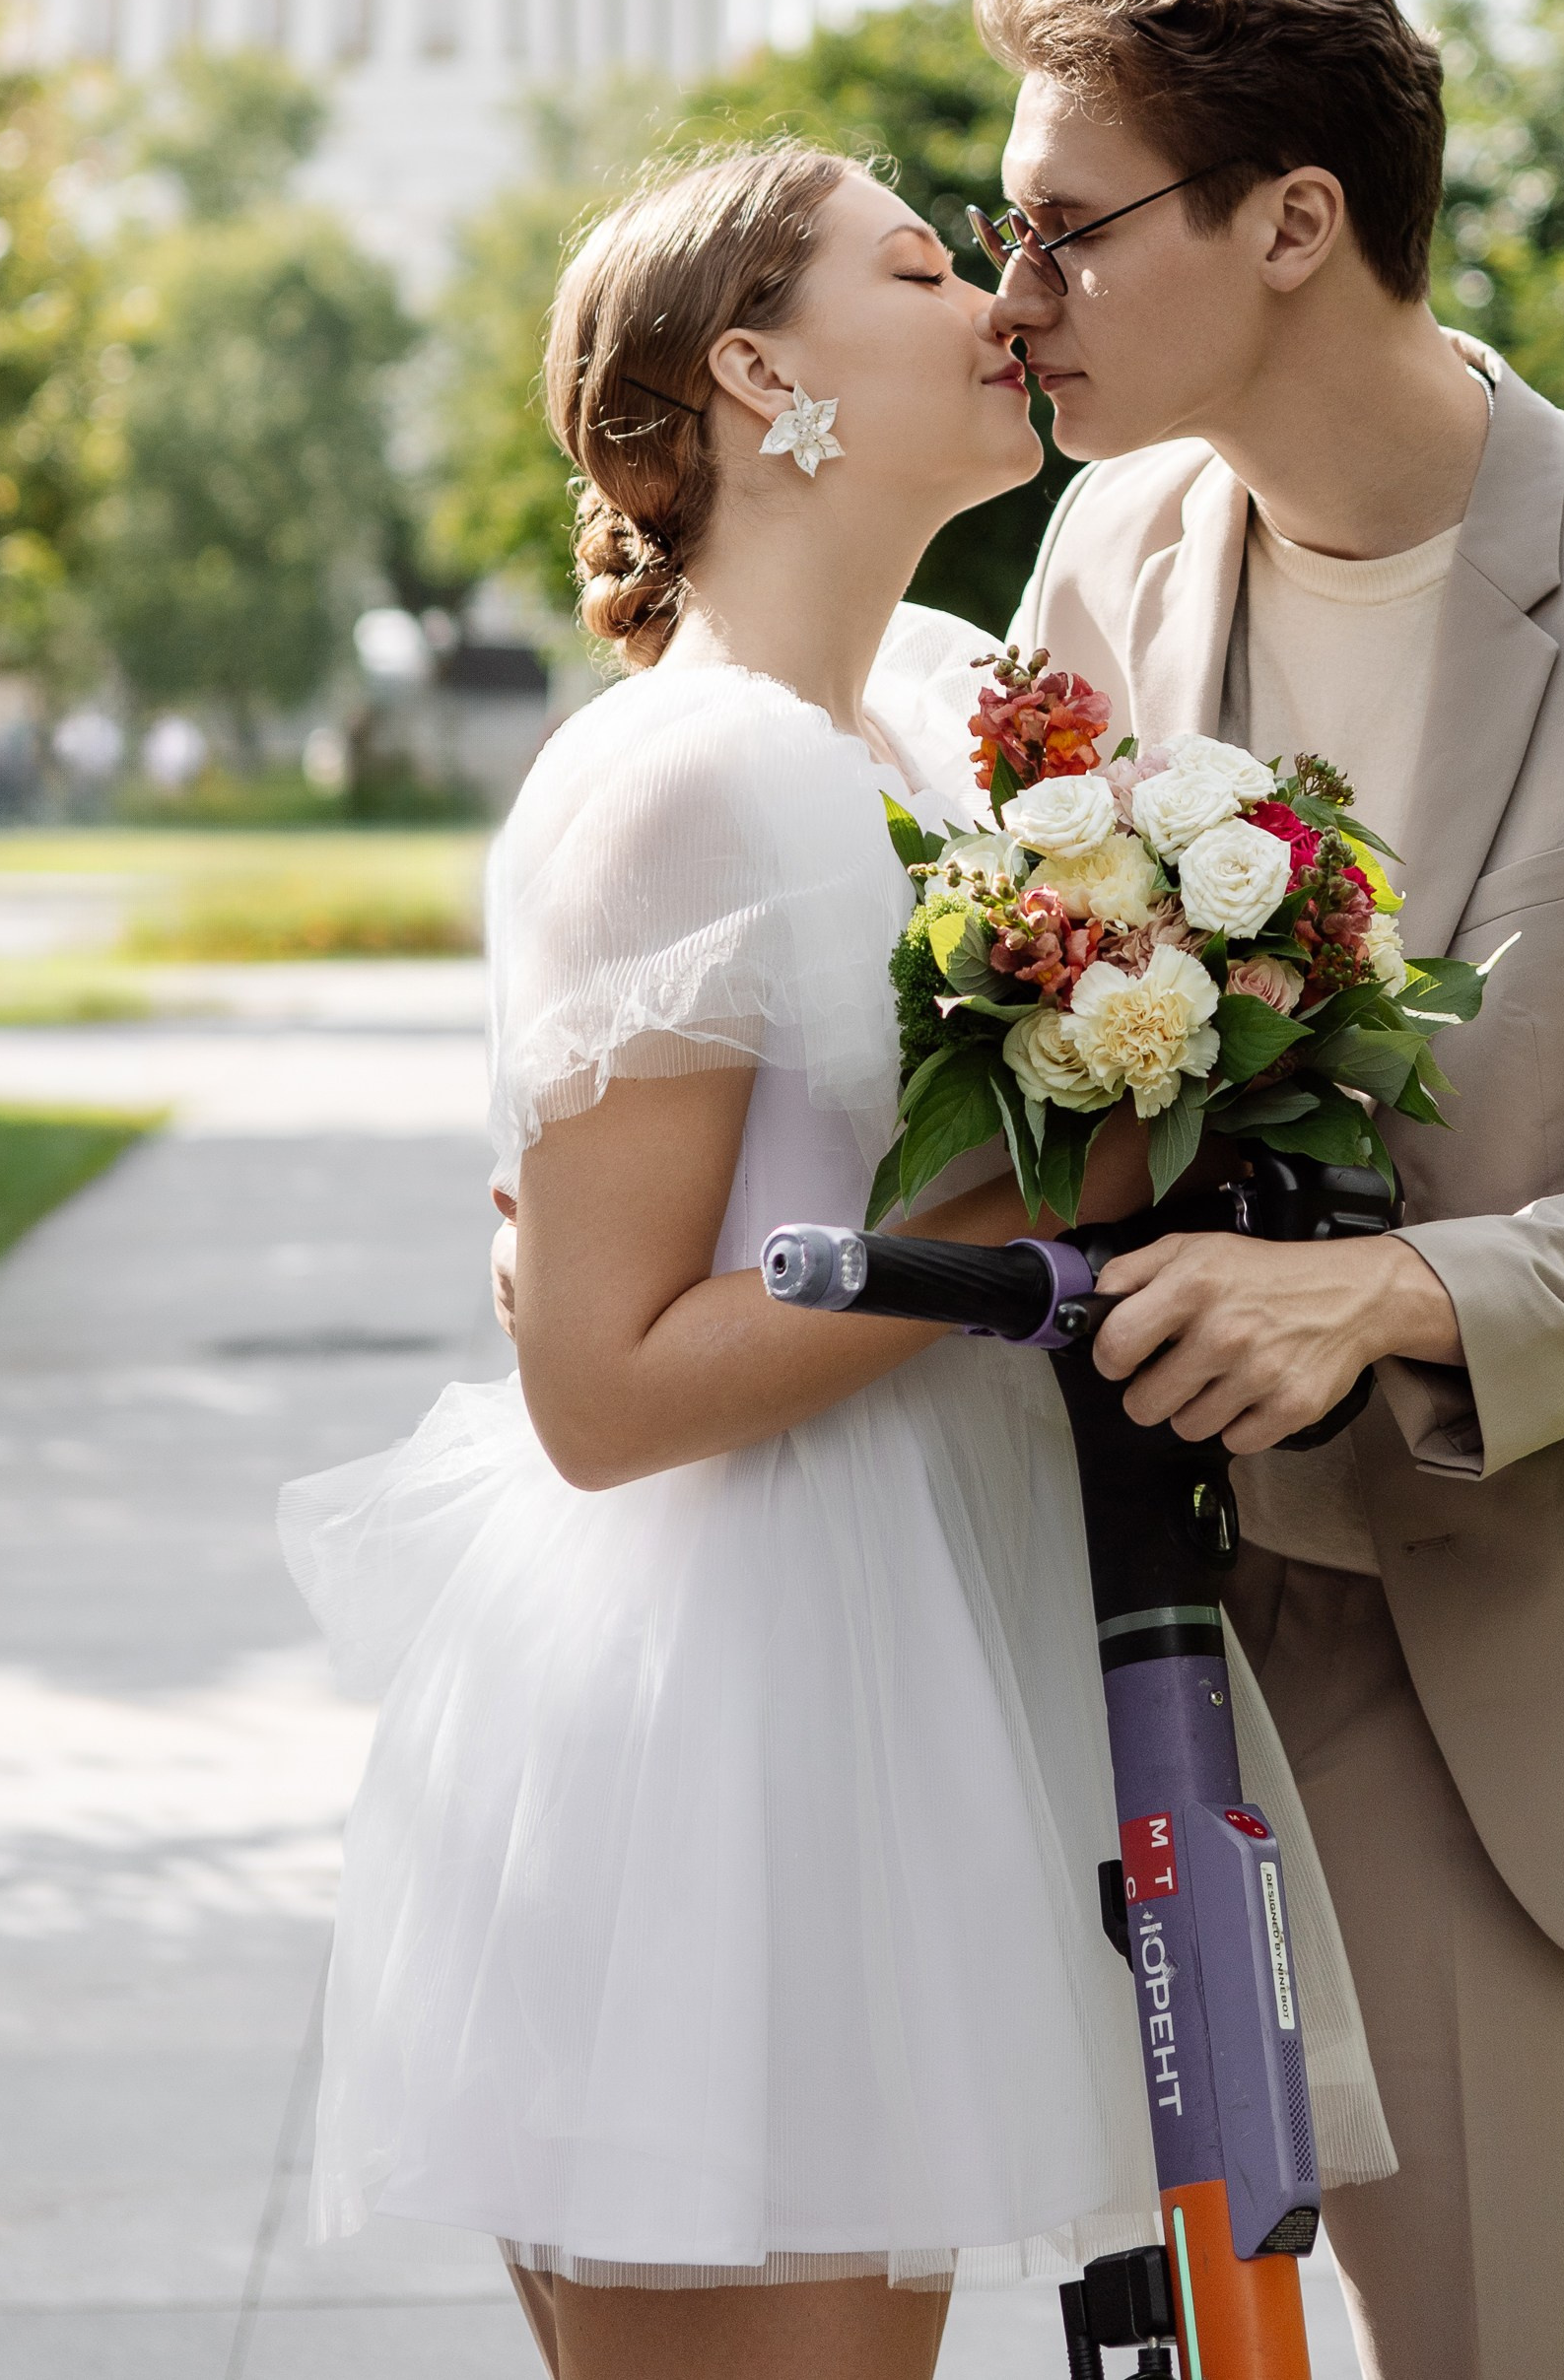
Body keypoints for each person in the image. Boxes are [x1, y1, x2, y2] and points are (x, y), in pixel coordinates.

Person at [283, 143, 1388, 2380]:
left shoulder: (950, 709)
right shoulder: (675, 782)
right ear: (759, 369)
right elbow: (601, 1390)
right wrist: (1028, 1191)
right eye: (917, 258)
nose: (992, 282)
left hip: (959, 1644)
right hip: (735, 1705)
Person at [974, 0, 1564, 2380]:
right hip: (1147, 1604)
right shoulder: (1105, 552)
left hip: (1515, 1624)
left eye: (1067, 225)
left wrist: (1375, 1297)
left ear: (1295, 222)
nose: (1011, 289)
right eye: (1001, 224)